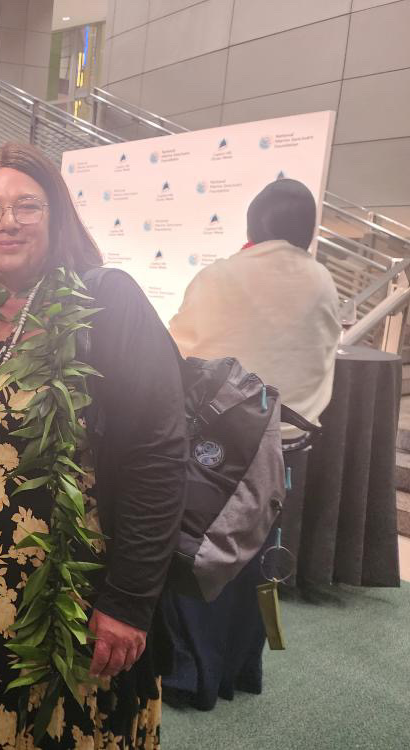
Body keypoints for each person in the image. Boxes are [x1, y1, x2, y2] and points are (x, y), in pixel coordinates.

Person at [0, 143, 187, 749]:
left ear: (57, 216)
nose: (7, 222)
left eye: (27, 205)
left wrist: (130, 602)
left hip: (72, 602)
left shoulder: (107, 304)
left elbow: (159, 457)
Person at [163, 178, 342, 709]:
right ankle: (242, 668)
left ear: (253, 222)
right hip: (286, 449)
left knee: (200, 552)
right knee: (256, 559)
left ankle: (192, 674)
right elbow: (322, 354)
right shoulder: (323, 280)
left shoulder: (221, 275)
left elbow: (181, 350)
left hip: (219, 451)